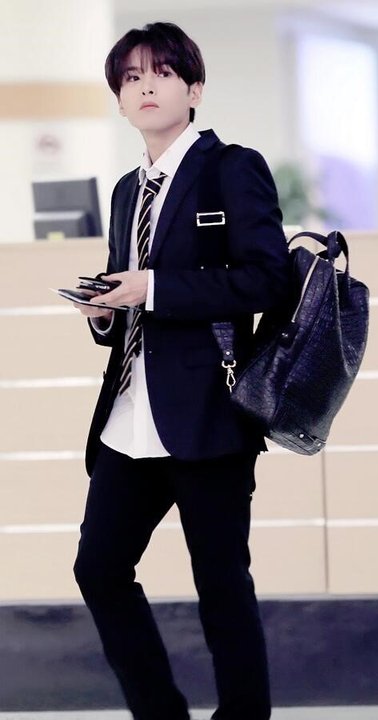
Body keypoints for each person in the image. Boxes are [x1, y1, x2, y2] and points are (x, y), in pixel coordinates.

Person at [72, 20, 290, 720]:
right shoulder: (125, 190)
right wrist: (104, 312)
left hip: (207, 415)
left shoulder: (232, 167)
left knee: (221, 584)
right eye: (131, 77)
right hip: (129, 418)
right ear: (119, 99)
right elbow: (129, 303)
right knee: (99, 569)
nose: (145, 86)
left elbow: (267, 280)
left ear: (193, 90)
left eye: (162, 73)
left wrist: (155, 289)